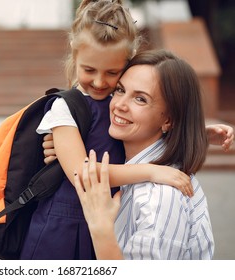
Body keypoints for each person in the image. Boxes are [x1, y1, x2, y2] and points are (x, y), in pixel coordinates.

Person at [20, 0, 233, 260]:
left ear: (126, 65)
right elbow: (83, 173)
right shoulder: (66, 108)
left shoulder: (116, 102)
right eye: (89, 70)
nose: (100, 82)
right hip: (64, 229)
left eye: (112, 73)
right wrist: (152, 171)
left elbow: (153, 119)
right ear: (74, 59)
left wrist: (198, 131)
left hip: (104, 224)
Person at [73, 49, 216, 259]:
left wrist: (100, 227)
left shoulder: (158, 197)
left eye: (140, 99)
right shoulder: (133, 169)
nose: (119, 105)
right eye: (120, 90)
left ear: (168, 120)